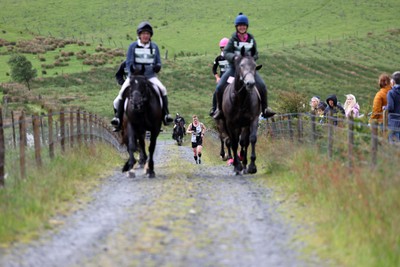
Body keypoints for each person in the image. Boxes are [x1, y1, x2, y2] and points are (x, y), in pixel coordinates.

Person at [110, 21, 173, 131]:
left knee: (163, 89)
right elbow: (129, 63)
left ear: (150, 36)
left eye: (148, 34)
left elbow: (158, 61)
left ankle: (165, 116)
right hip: (134, 77)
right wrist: (132, 75)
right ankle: (117, 119)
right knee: (119, 97)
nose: (145, 35)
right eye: (143, 33)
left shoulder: (154, 47)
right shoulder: (132, 46)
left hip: (150, 76)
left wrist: (157, 66)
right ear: (139, 35)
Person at [211, 13, 275, 120]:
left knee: (262, 85)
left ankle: (265, 109)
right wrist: (235, 58)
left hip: (248, 69)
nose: (242, 27)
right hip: (234, 68)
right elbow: (226, 52)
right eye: (240, 25)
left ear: (247, 27)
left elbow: (256, 53)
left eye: (244, 25)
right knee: (219, 87)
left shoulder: (251, 39)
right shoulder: (233, 39)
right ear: (236, 27)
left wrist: (250, 59)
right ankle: (219, 110)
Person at [210, 37, 229, 116]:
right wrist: (217, 77)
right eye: (222, 48)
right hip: (222, 79)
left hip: (232, 78)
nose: (224, 50)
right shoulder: (218, 58)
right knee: (216, 92)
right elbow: (214, 69)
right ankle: (214, 109)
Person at [386, 71, 400, 143]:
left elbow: (391, 107)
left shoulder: (391, 93)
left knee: (393, 143)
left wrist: (385, 108)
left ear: (393, 82)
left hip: (393, 121)